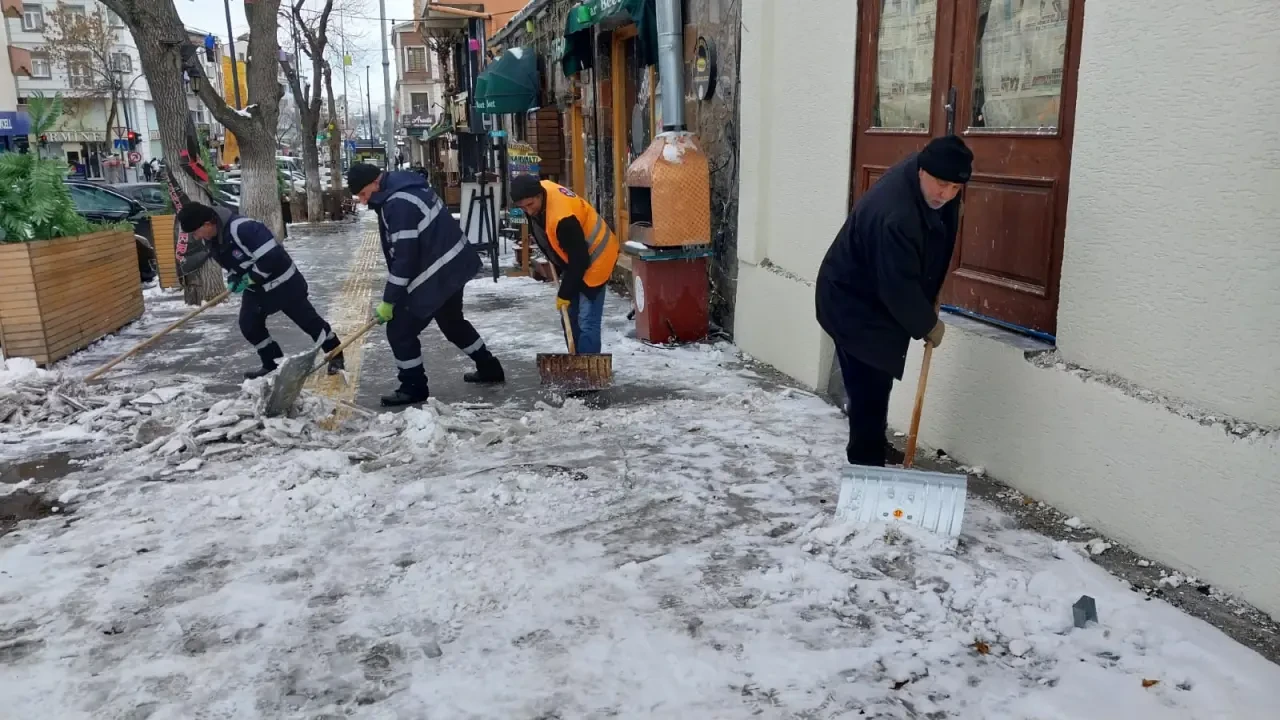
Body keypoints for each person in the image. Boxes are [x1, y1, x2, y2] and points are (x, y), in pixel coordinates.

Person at [814, 135, 973, 468]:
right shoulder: (895, 215)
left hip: (873, 296)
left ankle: (873, 441)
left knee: (878, 381)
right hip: (852, 304)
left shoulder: (927, 188)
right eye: (941, 184)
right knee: (868, 386)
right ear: (922, 172)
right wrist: (927, 325)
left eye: (955, 188)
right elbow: (896, 286)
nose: (946, 194)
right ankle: (865, 462)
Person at [346, 162, 505, 407]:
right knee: (452, 322)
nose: (364, 201)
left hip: (440, 270)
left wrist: (389, 300)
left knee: (400, 330)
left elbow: (404, 258)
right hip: (453, 263)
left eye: (364, 194)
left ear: (376, 182)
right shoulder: (406, 187)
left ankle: (413, 387)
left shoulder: (398, 203)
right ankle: (489, 366)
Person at [176, 202, 344, 380]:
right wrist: (234, 278)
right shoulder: (212, 240)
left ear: (207, 224)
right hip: (257, 290)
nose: (196, 236)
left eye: (195, 232)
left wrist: (250, 278)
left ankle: (336, 355)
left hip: (285, 284)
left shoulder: (243, 228)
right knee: (249, 325)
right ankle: (273, 363)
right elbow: (232, 265)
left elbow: (272, 256)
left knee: (310, 323)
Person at [509, 176, 619, 355]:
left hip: (598, 257)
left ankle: (588, 369)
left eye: (530, 205)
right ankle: (575, 361)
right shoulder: (539, 194)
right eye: (523, 208)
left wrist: (564, 292)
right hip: (576, 257)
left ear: (539, 196)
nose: (528, 211)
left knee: (586, 320)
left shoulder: (562, 218)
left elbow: (580, 260)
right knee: (569, 315)